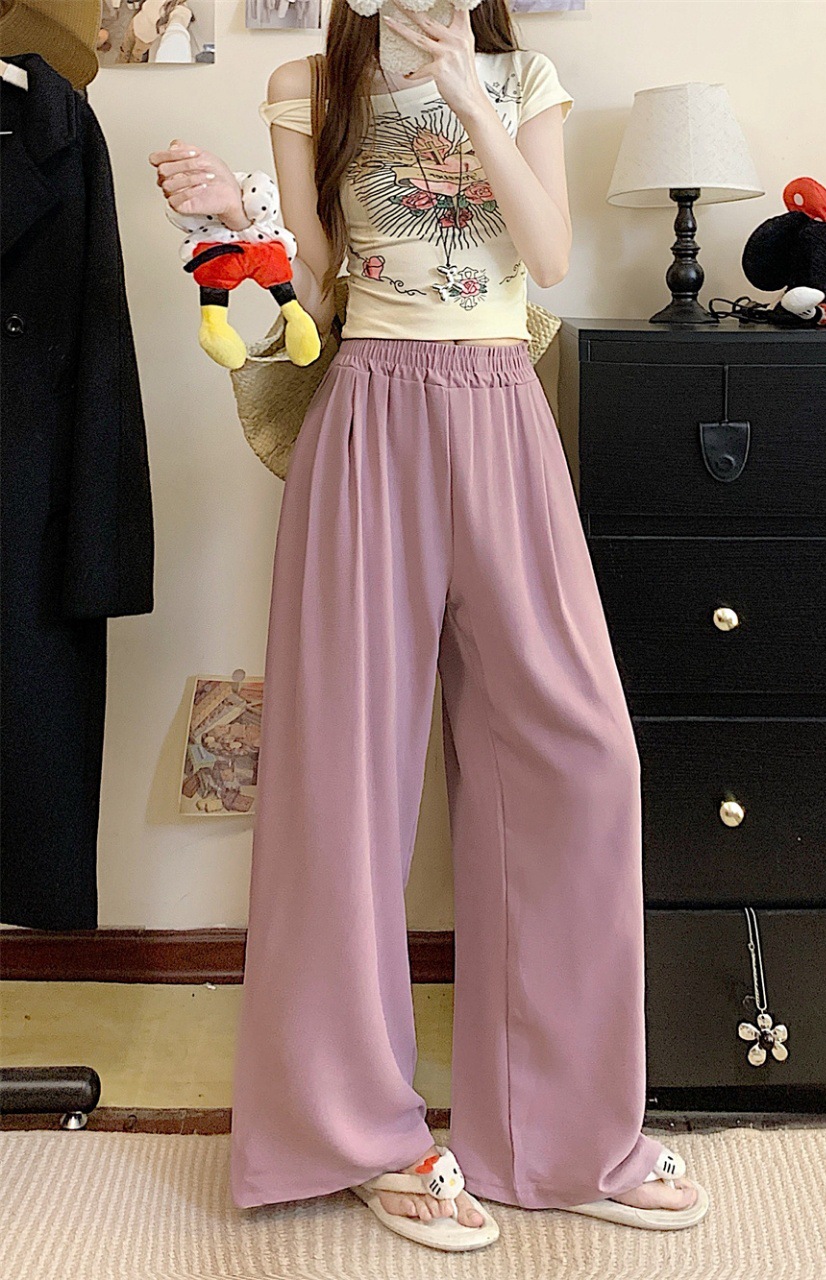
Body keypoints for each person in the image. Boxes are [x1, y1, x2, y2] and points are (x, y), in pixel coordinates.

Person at [149, 0, 709, 1252]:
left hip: (502, 410)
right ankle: (360, 1133)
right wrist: (228, 218)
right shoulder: (308, 86)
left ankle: (563, 1133)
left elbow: (549, 253)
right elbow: (313, 280)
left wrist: (466, 93)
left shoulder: (525, 75)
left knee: (579, 757)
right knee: (342, 782)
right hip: (370, 416)